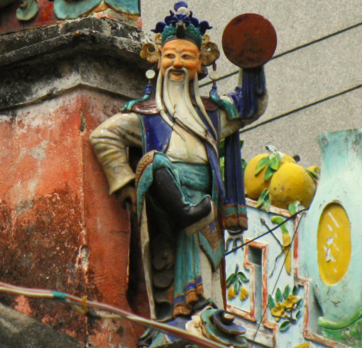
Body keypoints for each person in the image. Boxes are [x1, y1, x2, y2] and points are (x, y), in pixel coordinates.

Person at [90, 1, 267, 344]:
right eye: (170, 56)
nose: (177, 64)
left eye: (187, 57)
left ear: (201, 64)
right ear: (157, 60)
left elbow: (250, 107)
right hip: (166, 197)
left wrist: (252, 60)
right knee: (154, 162)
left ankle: (199, 311)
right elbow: (103, 136)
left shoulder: (214, 114)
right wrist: (125, 182)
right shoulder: (145, 115)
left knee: (205, 270)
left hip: (204, 201)